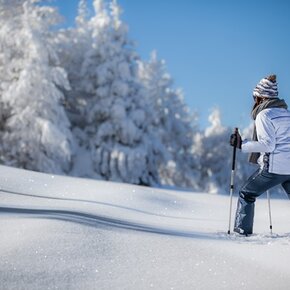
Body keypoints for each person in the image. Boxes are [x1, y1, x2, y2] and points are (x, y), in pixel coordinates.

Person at [230, 74, 290, 236]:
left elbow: (267, 144)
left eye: (254, 97)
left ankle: (242, 231)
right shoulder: (287, 114)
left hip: (274, 168)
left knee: (247, 193)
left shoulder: (264, 115)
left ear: (260, 97)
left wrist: (241, 145)